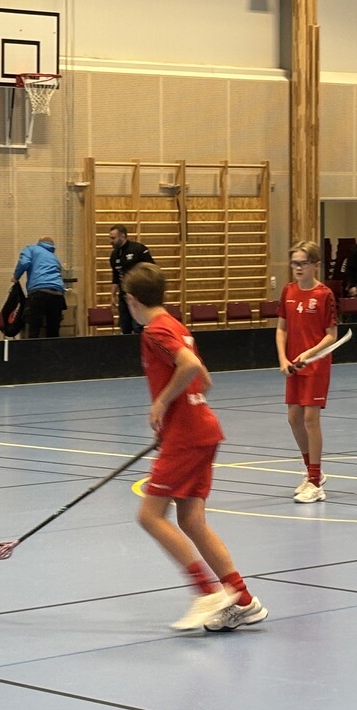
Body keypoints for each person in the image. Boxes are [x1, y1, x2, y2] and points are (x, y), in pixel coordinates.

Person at [122, 261, 268, 633]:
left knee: (149, 516)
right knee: (191, 520)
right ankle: (242, 600)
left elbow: (188, 366)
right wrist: (174, 415)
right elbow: (205, 380)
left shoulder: (154, 331)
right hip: (202, 430)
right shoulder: (177, 326)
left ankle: (206, 593)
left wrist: (162, 403)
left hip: (188, 437)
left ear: (132, 300)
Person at [276, 240, 338, 503]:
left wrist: (309, 353)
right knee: (294, 418)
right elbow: (281, 329)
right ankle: (314, 472)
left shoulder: (324, 294)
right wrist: (283, 358)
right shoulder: (288, 291)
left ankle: (314, 482)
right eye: (295, 263)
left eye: (303, 263)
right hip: (294, 365)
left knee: (311, 418)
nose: (298, 268)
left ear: (316, 265)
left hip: (316, 365)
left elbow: (331, 335)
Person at [12, 236, 67, 338]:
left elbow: (24, 263)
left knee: (34, 329)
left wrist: (16, 277)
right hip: (57, 295)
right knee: (53, 331)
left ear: (39, 242)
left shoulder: (31, 249)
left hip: (39, 292)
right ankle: (53, 348)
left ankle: (33, 348)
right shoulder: (55, 258)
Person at [108, 224, 155, 335]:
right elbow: (116, 276)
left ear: (122, 236)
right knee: (125, 327)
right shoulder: (114, 255)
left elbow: (152, 269)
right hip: (124, 297)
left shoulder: (138, 249)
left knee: (138, 326)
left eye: (113, 238)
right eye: (110, 238)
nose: (111, 241)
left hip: (138, 295)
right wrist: (113, 295)